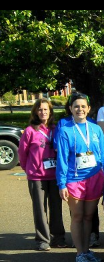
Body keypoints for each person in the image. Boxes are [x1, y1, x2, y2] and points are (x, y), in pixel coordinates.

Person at [55, 92, 104, 262]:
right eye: (76, 106)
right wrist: (62, 183)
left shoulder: (95, 129)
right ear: (70, 109)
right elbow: (62, 159)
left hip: (94, 177)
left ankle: (87, 251)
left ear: (88, 109)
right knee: (78, 216)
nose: (80, 109)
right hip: (74, 179)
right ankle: (79, 253)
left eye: (83, 106)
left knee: (89, 217)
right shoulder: (65, 130)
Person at [18, 98, 67, 250]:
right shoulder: (30, 131)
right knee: (40, 209)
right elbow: (22, 154)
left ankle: (58, 238)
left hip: (54, 176)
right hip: (37, 177)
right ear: (35, 112)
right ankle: (42, 240)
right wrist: (29, 169)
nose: (43, 112)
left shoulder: (56, 129)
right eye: (40, 109)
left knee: (56, 208)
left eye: (46, 109)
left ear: (50, 112)